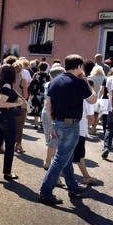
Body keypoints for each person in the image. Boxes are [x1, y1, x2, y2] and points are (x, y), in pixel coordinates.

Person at [39, 54, 97, 205]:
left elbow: (48, 105)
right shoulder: (79, 82)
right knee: (60, 159)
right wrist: (86, 82)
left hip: (57, 123)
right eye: (81, 67)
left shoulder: (54, 81)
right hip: (70, 125)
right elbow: (93, 99)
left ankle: (72, 187)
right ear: (78, 67)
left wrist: (52, 125)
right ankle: (45, 192)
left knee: (67, 158)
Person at [41, 65, 65, 170]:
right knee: (53, 141)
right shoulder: (56, 86)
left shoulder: (48, 85)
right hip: (52, 115)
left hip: (46, 114)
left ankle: (48, 162)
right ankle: (49, 163)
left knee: (51, 140)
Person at [11, 61, 29, 153]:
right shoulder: (23, 81)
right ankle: (18, 145)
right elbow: (25, 96)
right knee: (19, 127)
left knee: (11, 126)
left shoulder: (10, 80)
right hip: (21, 106)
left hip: (10, 105)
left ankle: (9, 144)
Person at [28, 62, 50, 129]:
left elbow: (31, 85)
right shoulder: (48, 76)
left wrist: (30, 93)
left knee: (36, 108)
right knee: (42, 108)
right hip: (44, 94)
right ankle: (42, 123)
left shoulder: (36, 75)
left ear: (39, 68)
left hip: (35, 94)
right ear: (46, 68)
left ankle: (36, 124)